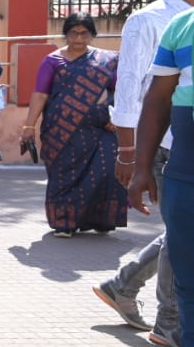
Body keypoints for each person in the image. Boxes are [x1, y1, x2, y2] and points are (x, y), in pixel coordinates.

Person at [97, 0, 194, 344]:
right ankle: (170, 322)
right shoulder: (148, 20)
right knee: (183, 233)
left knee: (183, 230)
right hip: (165, 144)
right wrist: (129, 153)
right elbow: (130, 88)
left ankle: (123, 285)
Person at [128, 4, 194, 347]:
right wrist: (141, 168)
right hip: (185, 173)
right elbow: (158, 98)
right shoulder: (182, 26)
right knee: (187, 278)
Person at [19, 13, 128, 237]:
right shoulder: (53, 61)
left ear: (92, 34)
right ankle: (64, 223)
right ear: (66, 34)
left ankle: (101, 220)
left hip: (101, 129)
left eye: (84, 33)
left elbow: (122, 90)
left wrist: (117, 117)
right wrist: (29, 126)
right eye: (73, 33)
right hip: (62, 131)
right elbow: (40, 94)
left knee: (107, 171)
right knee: (64, 175)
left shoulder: (106, 60)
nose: (78, 38)